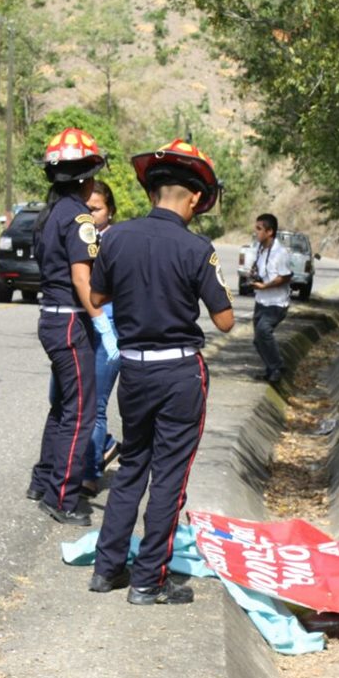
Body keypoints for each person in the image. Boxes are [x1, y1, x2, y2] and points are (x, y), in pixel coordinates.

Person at [88, 139, 234, 605]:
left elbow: (95, 299)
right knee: (169, 475)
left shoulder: (115, 238)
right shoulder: (197, 247)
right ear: (191, 199)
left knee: (133, 465)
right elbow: (225, 319)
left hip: (132, 371)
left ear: (152, 194)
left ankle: (107, 569)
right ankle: (149, 580)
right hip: (179, 375)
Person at [25, 128, 117, 527]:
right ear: (86, 179)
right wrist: (102, 323)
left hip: (52, 319)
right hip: (69, 322)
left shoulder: (49, 213)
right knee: (80, 412)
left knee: (64, 406)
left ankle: (44, 478)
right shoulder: (78, 217)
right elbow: (82, 279)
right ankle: (62, 496)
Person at [80, 180, 121, 497]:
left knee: (95, 403)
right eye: (87, 208)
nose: (91, 215)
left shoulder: (118, 242)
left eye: (96, 209)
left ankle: (91, 472)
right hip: (82, 327)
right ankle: (105, 444)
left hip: (109, 327)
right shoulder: (80, 239)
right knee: (67, 398)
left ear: (110, 211)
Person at [249, 213, 292, 384]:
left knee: (263, 331)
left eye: (259, 229)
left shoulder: (280, 253)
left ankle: (278, 367)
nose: (256, 232)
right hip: (261, 301)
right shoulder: (260, 249)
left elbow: (286, 277)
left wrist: (265, 286)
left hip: (276, 303)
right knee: (258, 340)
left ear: (270, 231)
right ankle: (270, 370)